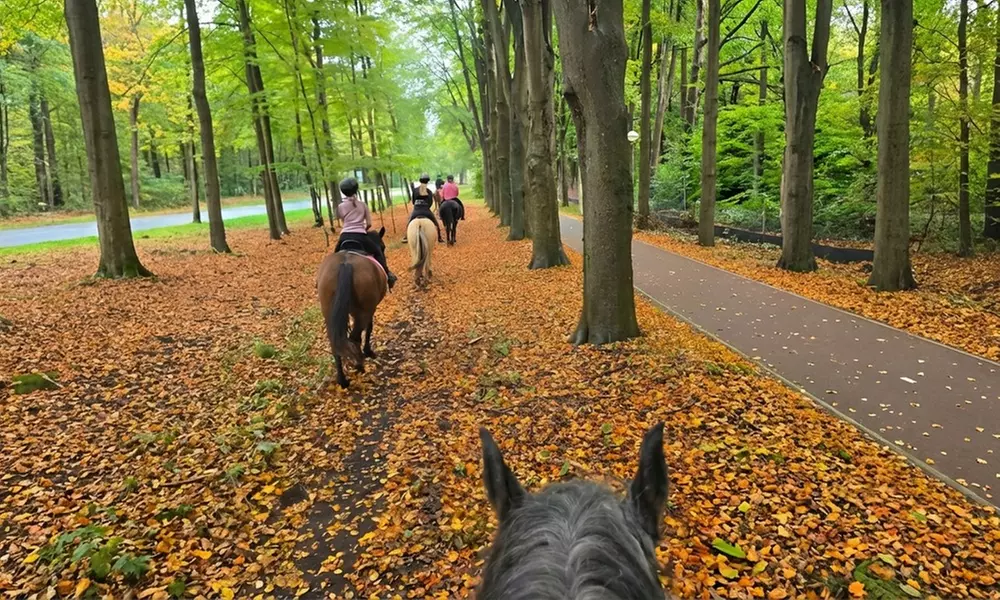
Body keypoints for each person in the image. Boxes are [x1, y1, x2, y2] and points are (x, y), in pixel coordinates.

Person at [334, 177, 396, 289]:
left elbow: (343, 220)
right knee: (378, 252)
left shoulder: (340, 207)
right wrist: (363, 228)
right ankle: (388, 274)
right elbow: (369, 224)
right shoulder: (362, 205)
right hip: (360, 236)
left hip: (344, 237)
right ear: (356, 190)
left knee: (334, 257)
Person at [402, 174, 444, 243]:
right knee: (436, 224)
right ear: (427, 182)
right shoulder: (429, 191)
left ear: (420, 181)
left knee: (409, 222)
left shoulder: (415, 190)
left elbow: (413, 202)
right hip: (426, 211)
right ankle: (439, 238)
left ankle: (406, 237)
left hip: (416, 211)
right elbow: (430, 203)